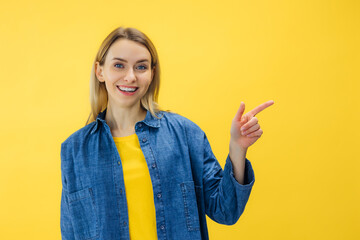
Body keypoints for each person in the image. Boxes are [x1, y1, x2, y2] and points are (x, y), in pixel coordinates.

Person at [60, 26, 274, 240]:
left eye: (141, 67)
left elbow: (225, 211)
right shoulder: (74, 150)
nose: (130, 77)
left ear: (152, 73)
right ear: (100, 71)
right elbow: (71, 233)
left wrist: (238, 148)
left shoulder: (185, 135)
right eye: (119, 65)